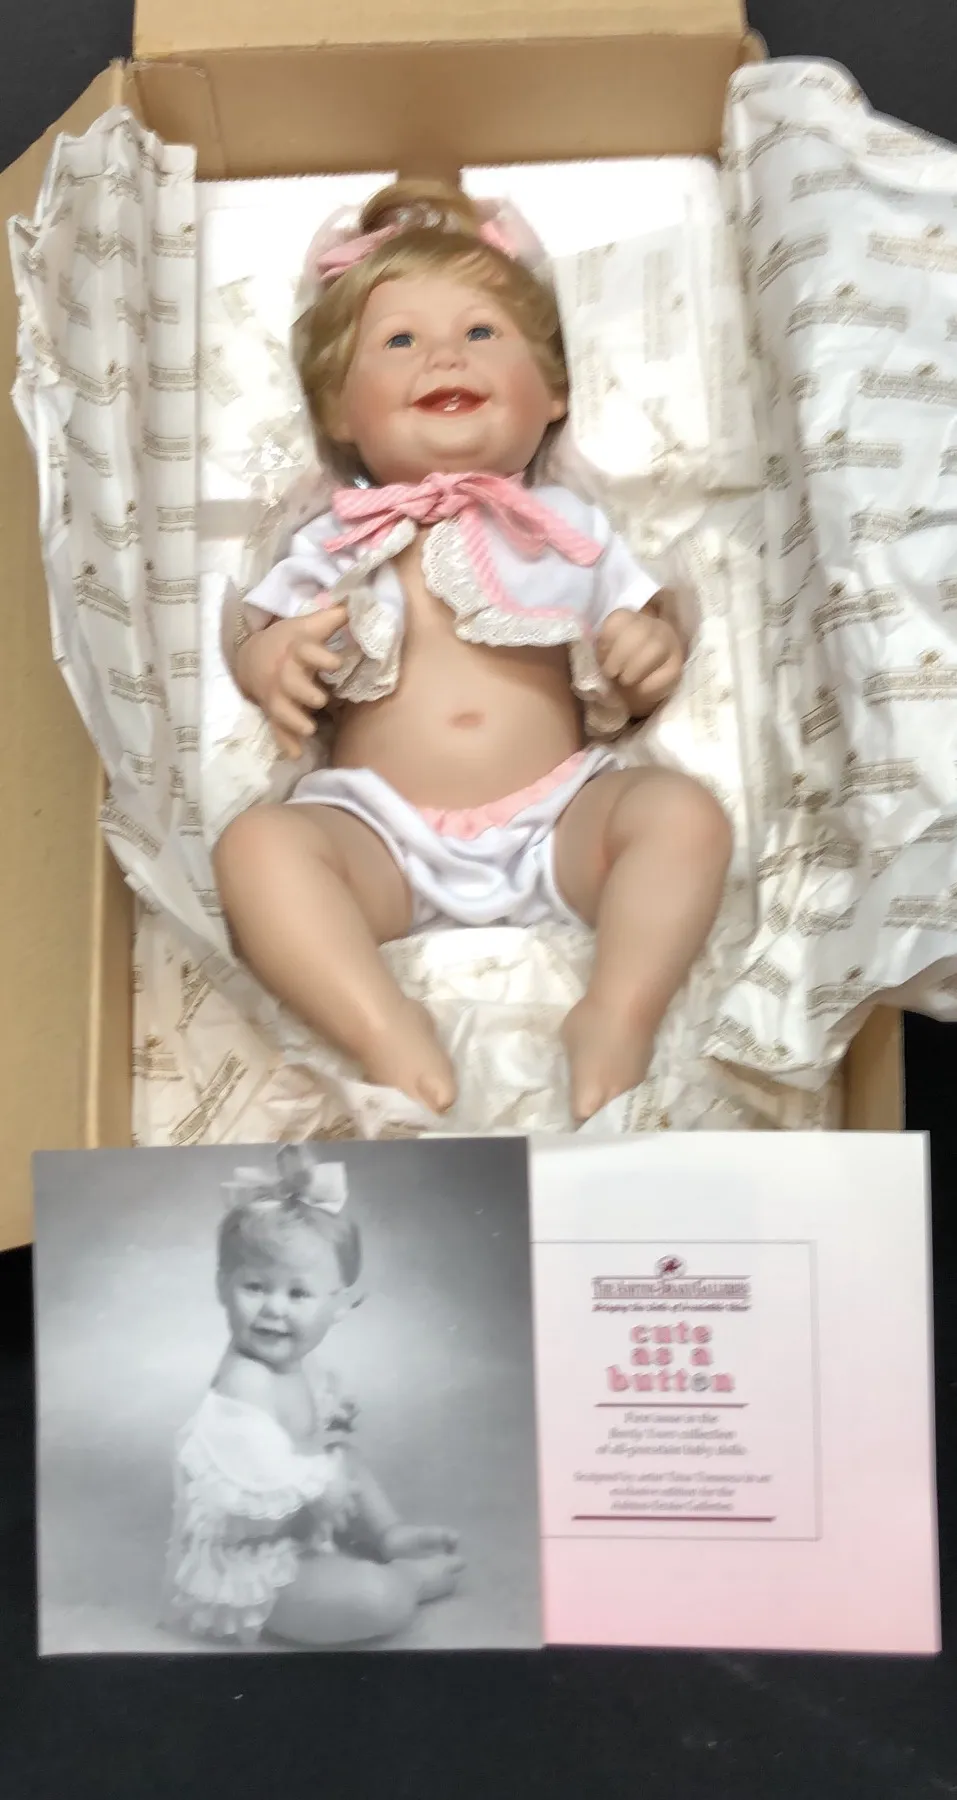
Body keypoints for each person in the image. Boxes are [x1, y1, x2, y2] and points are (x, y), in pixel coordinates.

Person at [213, 179, 733, 1124]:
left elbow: (647, 621)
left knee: (682, 816)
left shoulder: (566, 524)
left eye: (482, 332)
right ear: (338, 412)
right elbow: (255, 629)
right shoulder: (336, 535)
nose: (444, 354)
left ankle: (617, 1012)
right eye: (398, 341)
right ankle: (380, 1024)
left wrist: (647, 649)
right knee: (257, 850)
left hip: (559, 816)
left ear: (554, 393)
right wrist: (270, 662)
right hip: (378, 833)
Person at [162, 1148, 463, 1648]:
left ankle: (388, 1533)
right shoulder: (244, 1382)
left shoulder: (292, 1362)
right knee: (373, 1599)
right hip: (252, 1559)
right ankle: (405, 1581)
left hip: (300, 1525)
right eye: (255, 1287)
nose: (274, 1309)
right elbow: (254, 1498)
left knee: (341, 1454)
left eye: (298, 1294)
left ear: (338, 1306)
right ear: (222, 1287)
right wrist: (320, 1486)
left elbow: (314, 1433)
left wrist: (330, 1425)